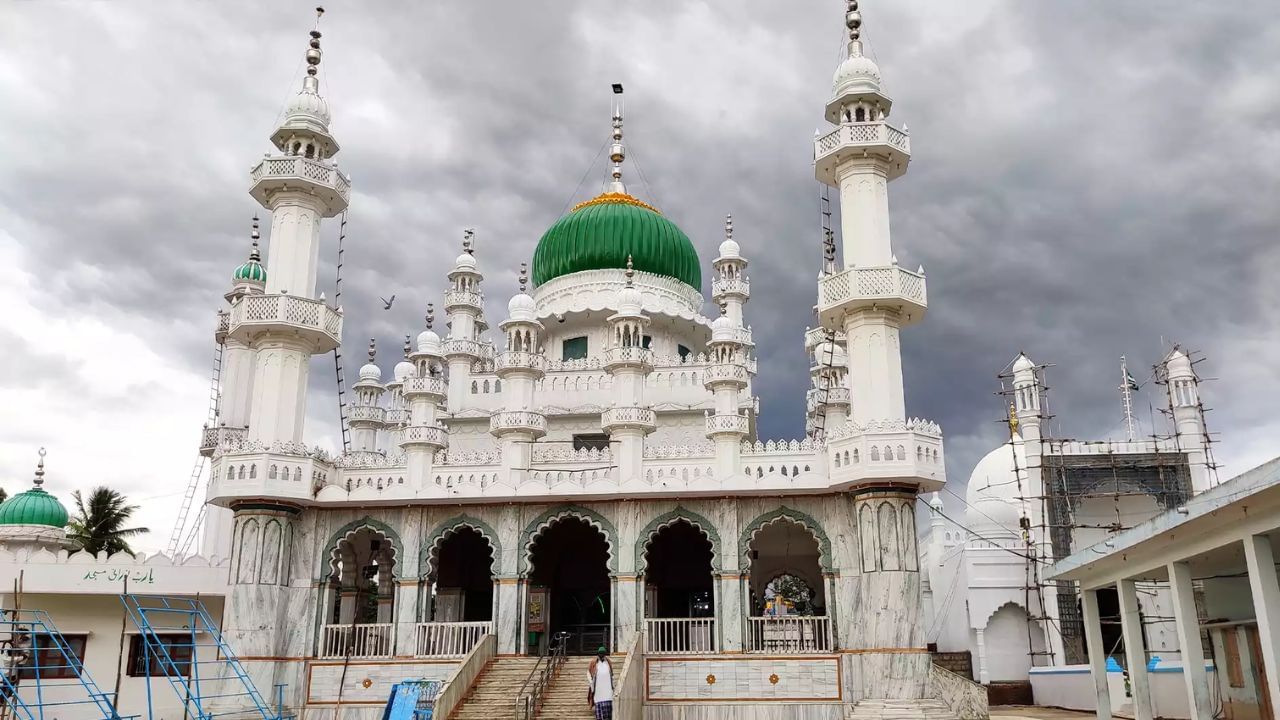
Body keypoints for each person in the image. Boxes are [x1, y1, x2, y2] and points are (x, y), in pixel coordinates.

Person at [586, 645, 613, 719]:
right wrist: (591, 683)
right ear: (598, 653)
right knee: (599, 716)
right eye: (600, 653)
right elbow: (588, 672)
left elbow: (611, 675)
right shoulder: (593, 662)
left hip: (608, 694)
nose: (601, 655)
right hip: (598, 693)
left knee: (608, 715)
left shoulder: (608, 662)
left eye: (603, 653)